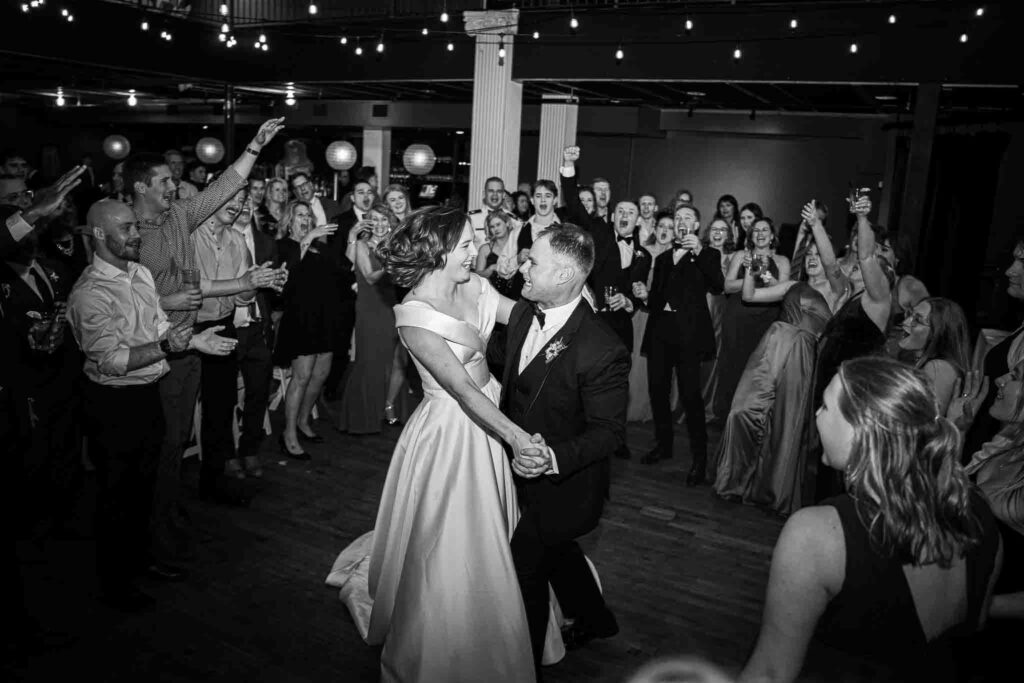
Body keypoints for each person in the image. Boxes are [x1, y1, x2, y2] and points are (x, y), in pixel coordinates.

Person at [327, 207, 557, 682]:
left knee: (497, 520)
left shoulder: (476, 286)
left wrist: (562, 309)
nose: (475, 251)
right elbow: (462, 390)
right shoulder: (413, 316)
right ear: (438, 251)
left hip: (493, 408)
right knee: (452, 533)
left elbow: (523, 320)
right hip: (452, 430)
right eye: (466, 244)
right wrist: (516, 437)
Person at [740, 356, 1002, 683]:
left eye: (825, 406)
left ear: (860, 430)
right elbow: (976, 622)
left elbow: (770, 673)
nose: (817, 415)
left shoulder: (817, 534)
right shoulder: (978, 510)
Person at [67, 199, 231, 611]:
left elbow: (158, 327)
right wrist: (166, 346)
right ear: (100, 234)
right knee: (115, 495)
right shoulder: (89, 293)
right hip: (112, 405)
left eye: (135, 226)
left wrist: (195, 341)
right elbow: (110, 360)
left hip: (147, 395)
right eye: (126, 228)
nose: (136, 235)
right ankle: (115, 584)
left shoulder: (139, 272)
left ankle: (141, 561)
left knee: (144, 487)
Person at [134, 117, 284, 560]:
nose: (174, 184)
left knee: (180, 434)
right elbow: (134, 298)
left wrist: (255, 146)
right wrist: (233, 285)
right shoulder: (132, 233)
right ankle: (150, 525)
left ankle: (167, 509)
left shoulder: (179, 216)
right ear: (141, 187)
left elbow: (226, 186)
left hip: (190, 340)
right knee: (160, 438)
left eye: (173, 179)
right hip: (156, 344)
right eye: (164, 180)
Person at [504, 224, 628, 673]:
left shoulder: (602, 347)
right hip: (513, 472)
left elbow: (609, 432)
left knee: (526, 564)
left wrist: (551, 459)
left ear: (563, 276)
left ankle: (526, 668)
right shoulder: (523, 311)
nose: (523, 266)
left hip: (564, 485)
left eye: (532, 261)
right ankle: (596, 619)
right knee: (559, 552)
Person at [633, 201, 725, 483]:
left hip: (689, 336)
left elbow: (718, 285)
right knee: (658, 391)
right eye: (678, 218)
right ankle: (664, 445)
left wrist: (698, 250)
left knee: (690, 396)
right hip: (660, 333)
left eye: (687, 218)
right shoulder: (662, 259)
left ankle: (700, 459)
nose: (681, 221)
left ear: (696, 225)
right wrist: (645, 296)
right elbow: (657, 299)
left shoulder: (708, 254)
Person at [273, 201, 344, 458]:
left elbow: (340, 273)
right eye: (299, 215)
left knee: (320, 374)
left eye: (307, 215)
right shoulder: (283, 246)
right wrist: (309, 237)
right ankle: (289, 433)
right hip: (300, 318)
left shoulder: (319, 247)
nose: (305, 219)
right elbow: (288, 272)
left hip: (323, 317)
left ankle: (303, 420)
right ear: (289, 220)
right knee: (301, 377)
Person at [336, 204, 407, 434]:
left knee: (398, 361)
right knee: (370, 361)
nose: (379, 224)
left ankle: (388, 404)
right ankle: (362, 416)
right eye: (374, 219)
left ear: (390, 222)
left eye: (383, 219)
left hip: (395, 306)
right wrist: (391, 263)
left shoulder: (397, 245)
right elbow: (369, 277)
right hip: (370, 308)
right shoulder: (362, 245)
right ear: (367, 223)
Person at [714, 217, 790, 421]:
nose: (760, 234)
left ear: (772, 236)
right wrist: (749, 273)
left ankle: (752, 418)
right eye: (756, 230)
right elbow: (727, 286)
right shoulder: (741, 255)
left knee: (758, 370)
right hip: (737, 318)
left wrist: (761, 272)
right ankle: (727, 417)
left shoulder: (782, 261)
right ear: (751, 236)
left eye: (765, 230)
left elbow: (783, 290)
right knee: (732, 367)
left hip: (766, 320)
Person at [231, 195, 280, 477]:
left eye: (249, 201)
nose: (245, 206)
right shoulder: (217, 240)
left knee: (259, 392)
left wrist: (278, 282)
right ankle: (226, 455)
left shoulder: (266, 242)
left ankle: (249, 451)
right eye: (240, 201)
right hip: (228, 326)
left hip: (257, 326)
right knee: (223, 397)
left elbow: (273, 288)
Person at [627, 211, 676, 422]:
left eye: (670, 228)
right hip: (639, 315)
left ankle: (652, 410)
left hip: (662, 316)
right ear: (655, 228)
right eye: (662, 226)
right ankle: (631, 407)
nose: (665, 231)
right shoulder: (642, 252)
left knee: (657, 366)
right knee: (636, 361)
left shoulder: (677, 257)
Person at [896, 297, 971, 415]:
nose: (906, 322)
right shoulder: (912, 358)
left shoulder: (939, 367)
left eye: (917, 320)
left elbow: (929, 421)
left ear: (938, 333)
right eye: (909, 314)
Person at [468, 176, 508, 246]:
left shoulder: (513, 220)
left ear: (503, 195)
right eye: (491, 191)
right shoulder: (471, 218)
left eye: (499, 191)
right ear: (484, 194)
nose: (495, 195)